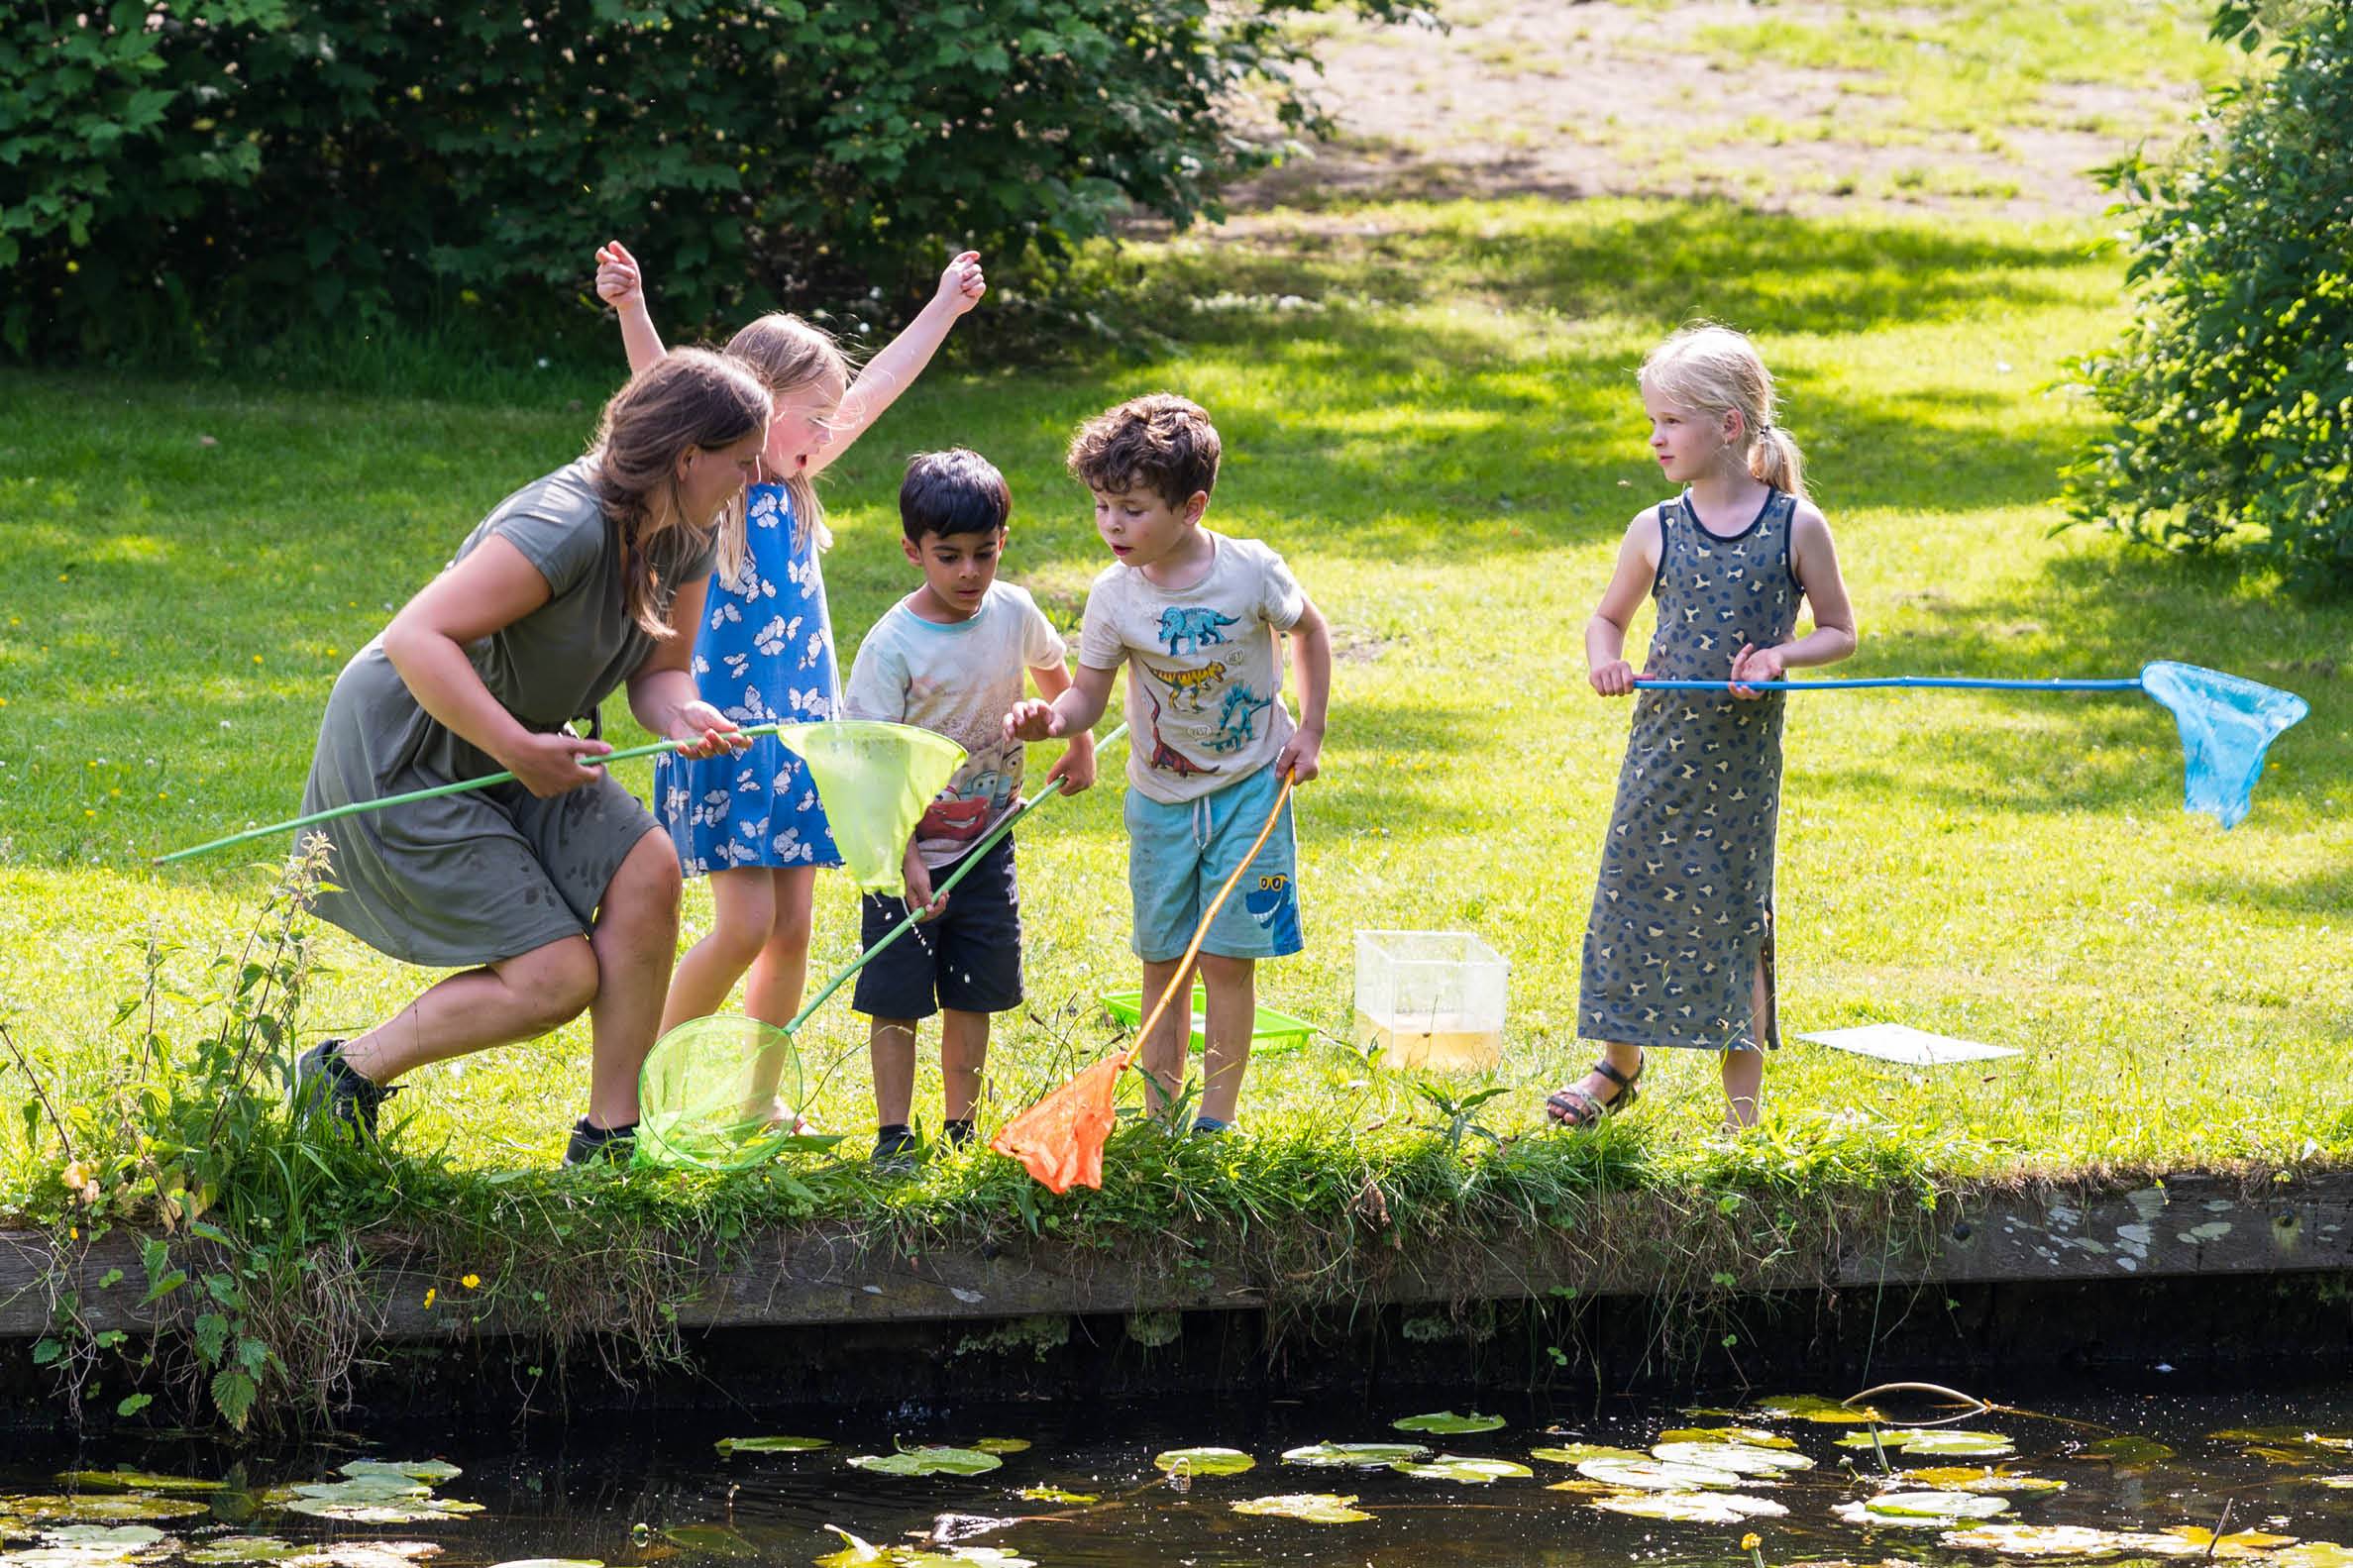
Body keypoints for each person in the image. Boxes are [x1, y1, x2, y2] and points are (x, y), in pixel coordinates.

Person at [293, 350, 767, 1164]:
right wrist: (516, 749)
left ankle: (611, 1139)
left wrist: (684, 710)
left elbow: (661, 673)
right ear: (687, 457)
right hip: (413, 749)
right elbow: (416, 636)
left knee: (649, 869)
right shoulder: (564, 524)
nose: (755, 476)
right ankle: (342, 1072)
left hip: (528, 744)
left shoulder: (690, 529)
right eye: (742, 458)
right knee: (555, 977)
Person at [592, 241, 985, 1125]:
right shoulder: (718, 486)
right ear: (752, 410)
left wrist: (941, 309)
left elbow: (878, 383)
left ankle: (756, 1101)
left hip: (804, 742)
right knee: (741, 925)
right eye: (810, 417)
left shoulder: (795, 482)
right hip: (726, 735)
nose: (825, 434)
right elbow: (661, 385)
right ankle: (640, 1090)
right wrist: (631, 309)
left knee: (793, 927)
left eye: (828, 420)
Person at [1545, 323, 1858, 1133]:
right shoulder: (1656, 526)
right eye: (1651, 420)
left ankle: (1740, 1116)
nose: (1655, 437)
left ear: (1727, 426)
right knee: (1626, 894)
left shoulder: (1795, 526)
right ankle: (1616, 1066)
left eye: (1671, 421)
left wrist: (1779, 658)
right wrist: (1605, 661)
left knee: (1733, 915)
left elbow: (1838, 631)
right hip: (1661, 753)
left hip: (1740, 768)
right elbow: (1604, 621)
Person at [1004, 394, 1330, 1135]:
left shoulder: (1249, 573)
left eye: (1131, 508)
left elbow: (1309, 631)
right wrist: (1052, 720)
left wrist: (1308, 733)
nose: (1111, 524)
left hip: (1251, 785)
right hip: (1159, 799)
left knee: (1225, 960)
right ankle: (1159, 1117)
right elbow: (1087, 696)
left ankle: (1215, 1119)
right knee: (1164, 960)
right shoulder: (1114, 598)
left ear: (1191, 506)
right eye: (1100, 506)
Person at [841, 449, 1095, 1165]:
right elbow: (869, 764)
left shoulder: (1012, 610)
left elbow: (1054, 671)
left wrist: (1076, 743)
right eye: (947, 556)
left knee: (971, 992)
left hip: (986, 841)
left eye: (984, 554)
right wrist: (904, 855)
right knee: (896, 997)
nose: (967, 573)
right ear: (911, 550)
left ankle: (960, 1129)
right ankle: (893, 1133)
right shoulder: (893, 645)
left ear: (1002, 543)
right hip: (904, 852)